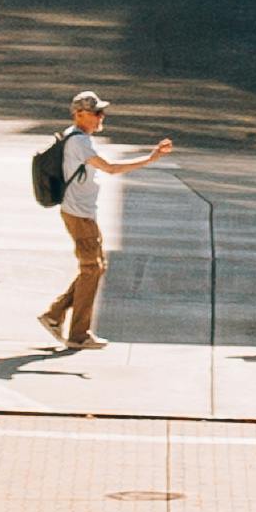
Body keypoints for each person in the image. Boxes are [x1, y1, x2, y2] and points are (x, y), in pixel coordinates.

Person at [41, 89, 172, 349]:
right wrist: (150, 158)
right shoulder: (79, 141)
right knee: (92, 269)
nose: (102, 117)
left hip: (80, 212)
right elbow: (111, 168)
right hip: (80, 214)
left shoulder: (75, 136)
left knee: (95, 268)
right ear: (80, 114)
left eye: (102, 112)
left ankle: (54, 315)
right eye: (96, 112)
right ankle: (77, 334)